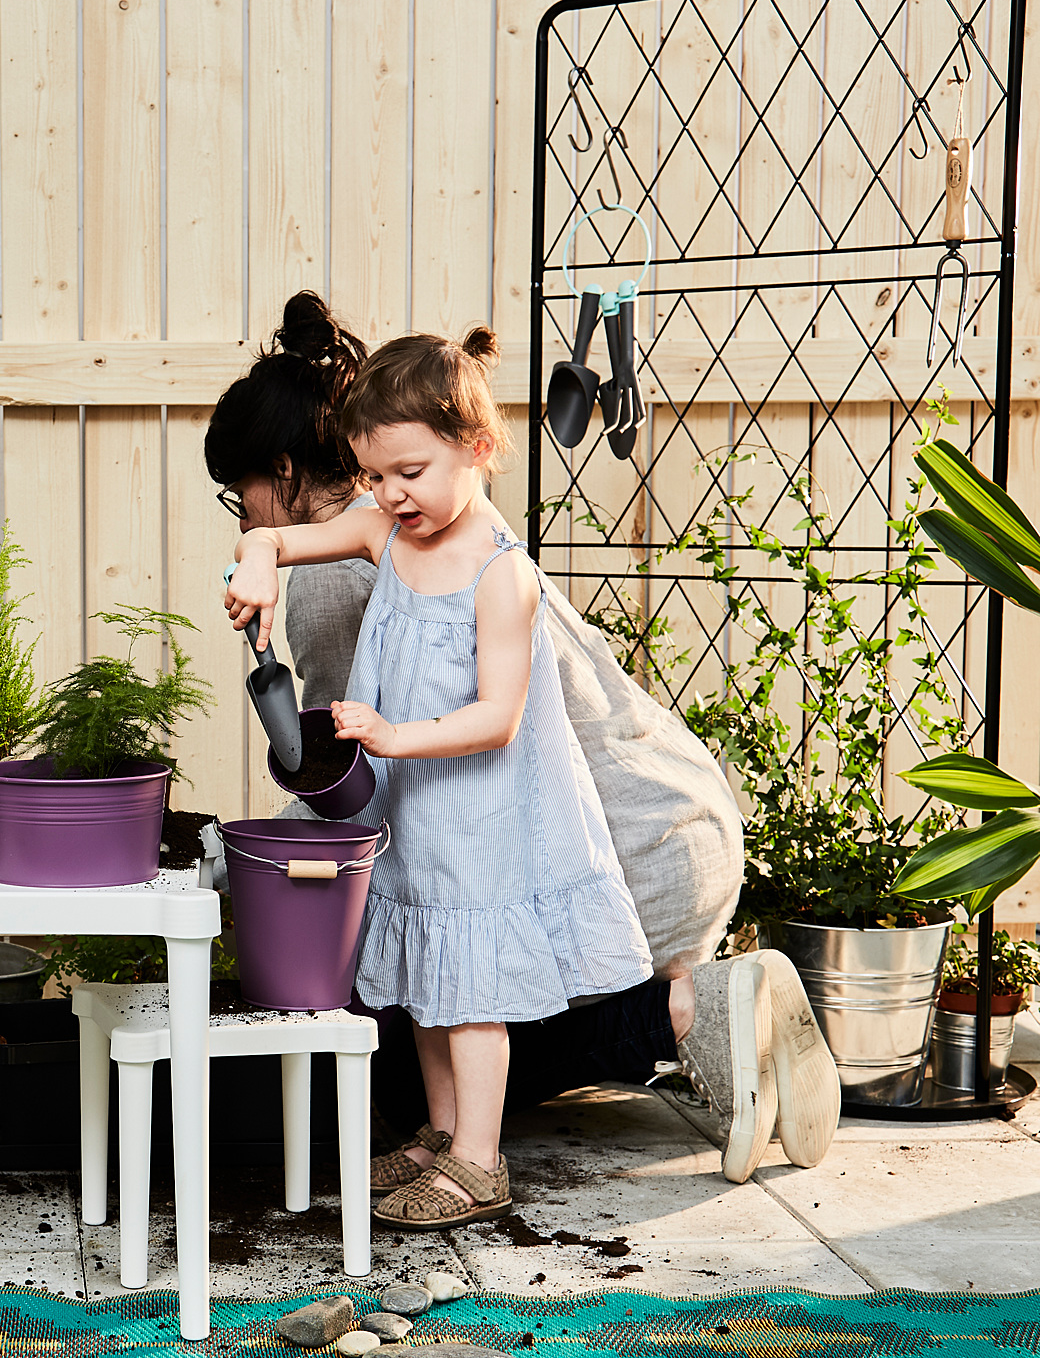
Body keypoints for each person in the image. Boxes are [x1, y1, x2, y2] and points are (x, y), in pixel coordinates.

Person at [211, 297, 836, 1190]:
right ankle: (466, 1125)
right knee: (425, 982)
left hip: (595, 848)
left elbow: (365, 762)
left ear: (473, 445)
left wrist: (257, 852)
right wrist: (264, 551)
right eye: (374, 475)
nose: (387, 494)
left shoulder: (442, 570)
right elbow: (290, 566)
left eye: (242, 496)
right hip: (643, 811)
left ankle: (681, 1015)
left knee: (430, 1014)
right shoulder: (399, 523)